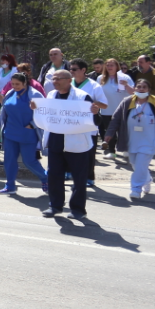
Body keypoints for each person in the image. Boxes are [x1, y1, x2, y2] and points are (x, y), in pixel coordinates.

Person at [33, 71, 102, 219]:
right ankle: (55, 206)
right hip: (55, 142)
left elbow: (95, 122)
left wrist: (95, 113)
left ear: (69, 80)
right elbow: (45, 115)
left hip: (77, 144)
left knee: (79, 178)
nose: (55, 81)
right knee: (54, 176)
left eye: (58, 79)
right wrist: (36, 108)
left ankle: (78, 209)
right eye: (53, 79)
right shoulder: (51, 95)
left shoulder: (82, 96)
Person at [104, 79, 155, 200]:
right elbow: (115, 119)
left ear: (149, 90)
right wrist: (109, 133)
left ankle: (135, 189)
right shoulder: (127, 102)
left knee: (141, 164)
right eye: (139, 87)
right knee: (136, 165)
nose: (141, 89)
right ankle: (147, 179)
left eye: (144, 87)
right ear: (135, 88)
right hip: (132, 141)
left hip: (150, 141)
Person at [0, 73, 47, 195]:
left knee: (29, 161)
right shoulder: (10, 93)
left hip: (27, 133)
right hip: (10, 133)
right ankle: (10, 185)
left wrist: (32, 124)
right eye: (12, 84)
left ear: (25, 83)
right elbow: (3, 111)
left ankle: (46, 178)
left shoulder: (35, 94)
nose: (14, 86)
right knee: (9, 160)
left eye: (17, 84)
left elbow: (44, 113)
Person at [66, 58, 108, 187]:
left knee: (88, 151)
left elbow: (104, 104)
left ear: (83, 70)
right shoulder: (68, 83)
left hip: (88, 123)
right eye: (70, 69)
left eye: (74, 69)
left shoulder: (94, 85)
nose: (71, 71)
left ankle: (89, 177)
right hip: (70, 122)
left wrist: (90, 103)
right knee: (68, 148)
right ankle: (68, 172)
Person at [96, 58, 134, 154]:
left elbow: (133, 93)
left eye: (111, 65)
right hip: (106, 110)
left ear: (117, 66)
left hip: (122, 109)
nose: (109, 67)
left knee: (123, 131)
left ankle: (125, 149)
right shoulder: (101, 78)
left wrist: (126, 85)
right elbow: (96, 93)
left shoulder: (125, 77)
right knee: (109, 131)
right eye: (107, 65)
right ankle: (112, 152)